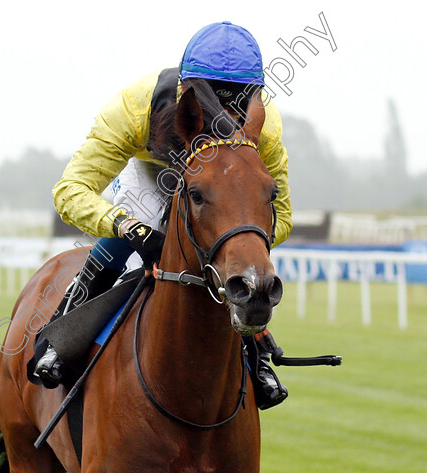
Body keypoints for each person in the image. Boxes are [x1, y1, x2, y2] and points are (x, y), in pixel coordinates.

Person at [34, 22, 292, 409]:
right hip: (150, 176)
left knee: (233, 256)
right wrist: (129, 228)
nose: (223, 113)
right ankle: (63, 333)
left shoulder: (264, 126)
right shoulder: (133, 107)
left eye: (236, 101)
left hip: (219, 186)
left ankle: (256, 346)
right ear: (186, 91)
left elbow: (283, 216)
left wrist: (238, 240)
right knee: (126, 234)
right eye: (210, 99)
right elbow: (69, 191)